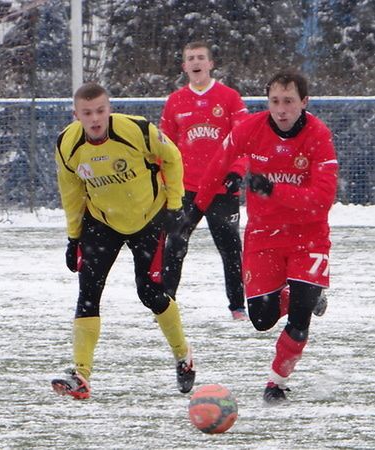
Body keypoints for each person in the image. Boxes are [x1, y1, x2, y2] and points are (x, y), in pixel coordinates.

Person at [193, 71, 337, 403]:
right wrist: (196, 209)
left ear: (304, 102)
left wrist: (274, 190)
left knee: (299, 320)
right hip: (263, 235)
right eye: (275, 102)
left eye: (289, 102)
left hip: (309, 235)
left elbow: (322, 201)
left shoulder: (319, 136)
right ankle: (308, 294)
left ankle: (276, 382)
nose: (281, 110)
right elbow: (220, 162)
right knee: (260, 318)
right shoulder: (250, 128)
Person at [51, 82, 195, 399]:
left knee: (150, 294)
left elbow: (172, 157)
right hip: (102, 222)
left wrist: (175, 206)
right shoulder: (67, 145)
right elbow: (71, 193)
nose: (95, 118)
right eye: (87, 113)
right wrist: (73, 236)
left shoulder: (137, 131)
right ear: (76, 115)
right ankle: (80, 375)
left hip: (148, 219)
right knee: (88, 293)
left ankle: (183, 356)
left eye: (100, 110)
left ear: (110, 109)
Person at [159, 41, 249, 320]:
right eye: (190, 58)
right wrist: (162, 179)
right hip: (186, 189)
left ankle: (237, 307)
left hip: (222, 188)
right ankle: (165, 304)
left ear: (211, 64)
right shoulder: (175, 101)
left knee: (231, 249)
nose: (196, 62)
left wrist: (237, 172)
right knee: (174, 244)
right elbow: (164, 146)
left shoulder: (230, 97)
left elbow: (244, 140)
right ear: (184, 66)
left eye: (200, 57)